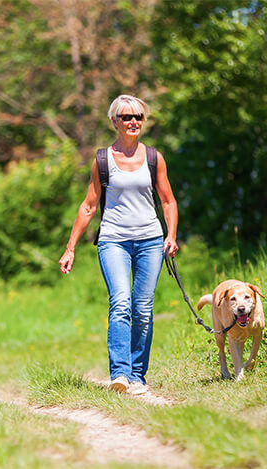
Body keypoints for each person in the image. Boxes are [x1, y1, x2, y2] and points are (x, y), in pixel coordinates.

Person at [59, 94, 179, 395]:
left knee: (142, 307)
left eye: (139, 116)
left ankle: (138, 375)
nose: (134, 121)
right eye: (127, 117)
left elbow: (168, 201)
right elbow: (88, 206)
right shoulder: (103, 160)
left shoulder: (154, 158)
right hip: (113, 240)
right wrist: (71, 247)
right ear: (115, 121)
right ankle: (120, 375)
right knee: (121, 302)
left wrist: (171, 235)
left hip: (150, 241)